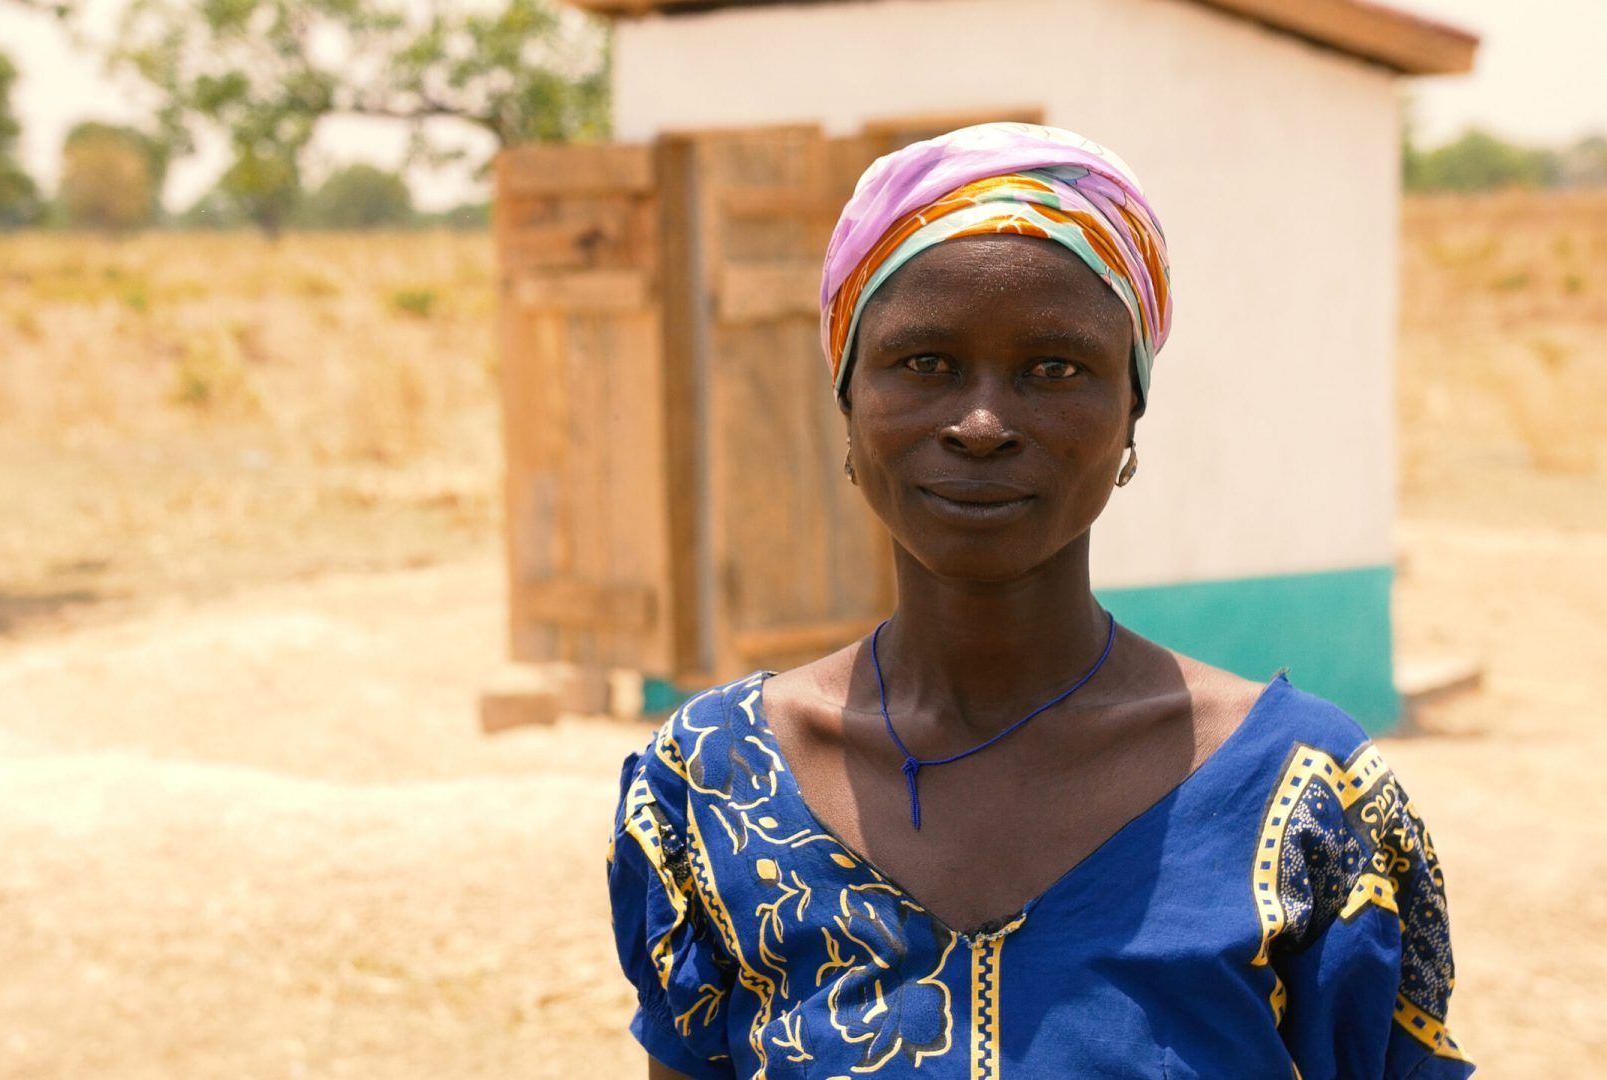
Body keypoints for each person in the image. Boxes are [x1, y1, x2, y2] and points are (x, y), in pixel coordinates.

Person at [605, 123, 1469, 1079]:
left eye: (1055, 369)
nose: (980, 425)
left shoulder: (1306, 798)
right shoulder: (715, 785)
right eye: (924, 363)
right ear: (848, 398)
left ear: (1130, 412)